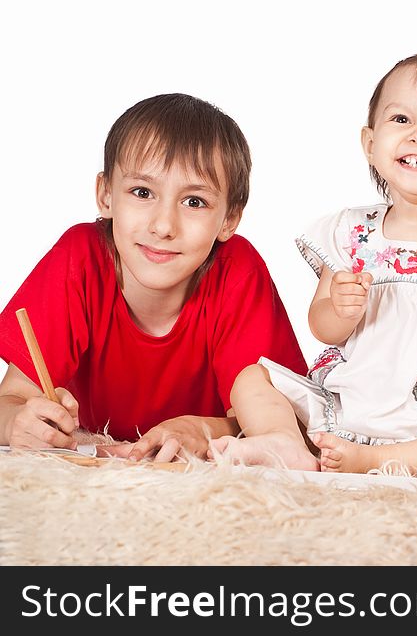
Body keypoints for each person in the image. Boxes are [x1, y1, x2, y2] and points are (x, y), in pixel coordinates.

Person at [212, 53, 417, 478]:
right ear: (370, 144)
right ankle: (284, 442)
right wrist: (339, 307)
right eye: (402, 120)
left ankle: (381, 463)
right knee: (249, 378)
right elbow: (324, 328)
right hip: (347, 406)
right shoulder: (349, 232)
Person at [0, 93, 307, 462]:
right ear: (106, 195)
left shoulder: (236, 270)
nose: (163, 226)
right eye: (142, 192)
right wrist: (18, 421)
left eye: (194, 202)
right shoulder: (78, 259)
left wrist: (201, 429)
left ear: (229, 220)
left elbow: (284, 426)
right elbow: (9, 402)